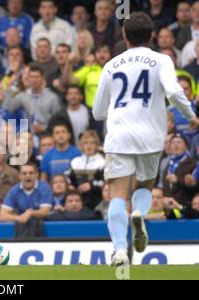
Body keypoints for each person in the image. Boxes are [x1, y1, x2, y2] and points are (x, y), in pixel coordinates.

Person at [92, 12, 199, 266]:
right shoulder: (161, 60)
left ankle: (119, 250)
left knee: (117, 194)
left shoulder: (111, 65)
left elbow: (97, 111)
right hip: (151, 136)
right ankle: (139, 212)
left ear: (125, 36)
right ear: (151, 36)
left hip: (118, 135)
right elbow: (174, 91)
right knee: (144, 186)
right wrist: (191, 116)